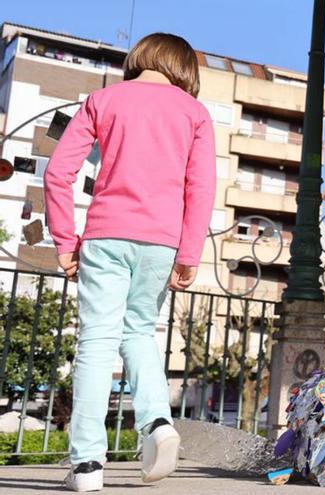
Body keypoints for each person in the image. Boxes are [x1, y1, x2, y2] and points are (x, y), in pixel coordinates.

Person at [44, 33, 216, 492]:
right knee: (139, 332)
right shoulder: (194, 113)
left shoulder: (102, 100)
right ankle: (158, 424)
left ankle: (86, 465)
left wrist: (65, 239)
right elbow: (199, 189)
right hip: (162, 243)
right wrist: (189, 253)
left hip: (106, 236)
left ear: (139, 60)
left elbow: (58, 172)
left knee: (97, 342)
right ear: (184, 70)